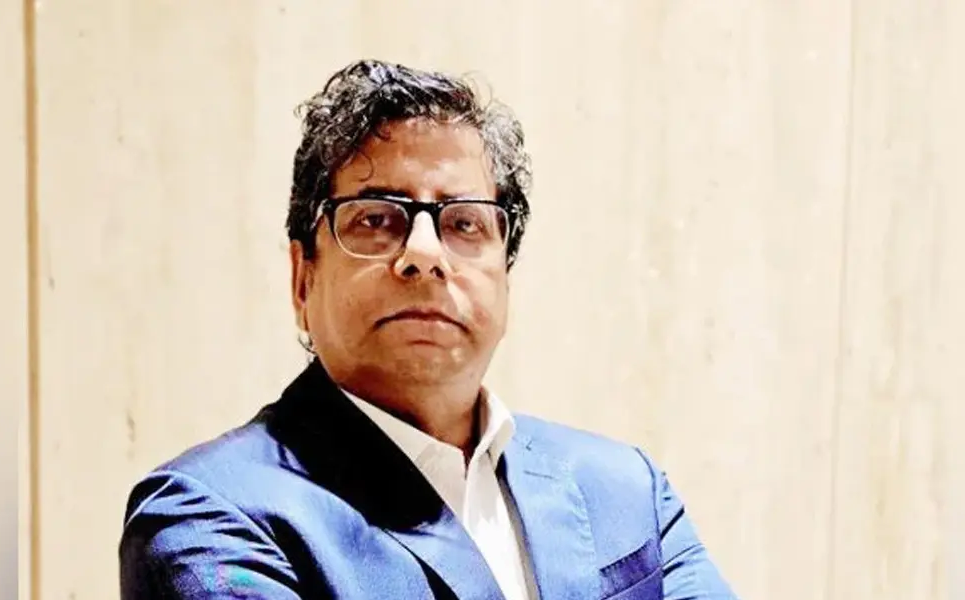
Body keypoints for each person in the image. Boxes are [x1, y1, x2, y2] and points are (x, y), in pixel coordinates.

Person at [119, 59, 738, 600]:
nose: (424, 253)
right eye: (375, 219)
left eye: (464, 223)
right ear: (303, 279)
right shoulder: (210, 513)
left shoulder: (627, 492)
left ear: (505, 273)